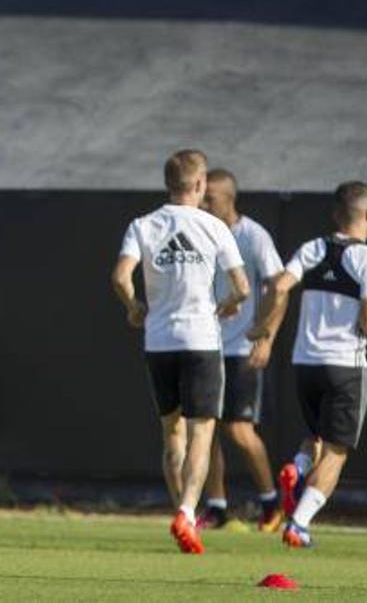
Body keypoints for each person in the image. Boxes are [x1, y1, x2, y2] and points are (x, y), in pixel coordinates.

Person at [111, 149, 249, 554]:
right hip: (201, 340)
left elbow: (120, 276)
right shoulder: (213, 226)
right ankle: (188, 512)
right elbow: (241, 285)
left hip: (159, 341)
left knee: (172, 434)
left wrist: (134, 306)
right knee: (201, 433)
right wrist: (232, 304)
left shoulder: (144, 225)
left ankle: (181, 514)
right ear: (199, 184)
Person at [247, 181, 367, 548]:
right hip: (345, 366)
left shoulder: (312, 248)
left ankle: (296, 467)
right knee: (337, 451)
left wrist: (262, 326)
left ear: (335, 215)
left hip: (305, 363)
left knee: (314, 438)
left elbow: (279, 286)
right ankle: (299, 523)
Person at [197, 169, 284, 532]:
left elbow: (279, 288)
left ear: (229, 199)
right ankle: (216, 508)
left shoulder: (253, 236)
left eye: (210, 198)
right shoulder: (200, 232)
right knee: (206, 429)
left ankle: (272, 503)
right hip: (205, 344)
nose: (204, 204)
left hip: (241, 350)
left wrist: (265, 338)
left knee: (239, 430)